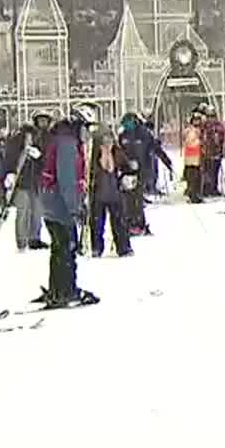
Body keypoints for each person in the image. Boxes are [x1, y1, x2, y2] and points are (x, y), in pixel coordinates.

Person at [37, 106, 96, 308]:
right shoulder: (68, 144)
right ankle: (66, 289)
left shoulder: (63, 139)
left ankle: (58, 288)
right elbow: (68, 179)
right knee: (66, 248)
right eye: (87, 128)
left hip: (52, 203)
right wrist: (75, 208)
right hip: (59, 205)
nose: (88, 133)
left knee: (59, 248)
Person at [3, 111, 52, 251]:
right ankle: (21, 240)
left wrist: (40, 157)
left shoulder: (47, 138)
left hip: (37, 180)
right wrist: (10, 172)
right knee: (23, 210)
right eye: (40, 120)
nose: (43, 123)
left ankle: (34, 238)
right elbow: (11, 156)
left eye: (45, 120)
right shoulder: (21, 137)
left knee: (37, 211)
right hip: (22, 180)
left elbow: (48, 158)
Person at [87, 127, 137, 257]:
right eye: (105, 140)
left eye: (110, 139)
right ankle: (96, 247)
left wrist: (129, 172)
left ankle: (123, 247)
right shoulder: (93, 155)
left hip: (115, 192)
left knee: (119, 222)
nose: (108, 142)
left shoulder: (116, 152)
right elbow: (89, 172)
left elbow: (126, 168)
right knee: (97, 223)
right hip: (98, 194)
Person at [181, 110, 206, 204]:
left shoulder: (200, 130)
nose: (197, 122)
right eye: (195, 120)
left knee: (198, 176)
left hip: (198, 157)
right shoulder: (190, 131)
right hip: (191, 158)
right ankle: (193, 194)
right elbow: (190, 142)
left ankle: (197, 193)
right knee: (193, 177)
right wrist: (199, 141)